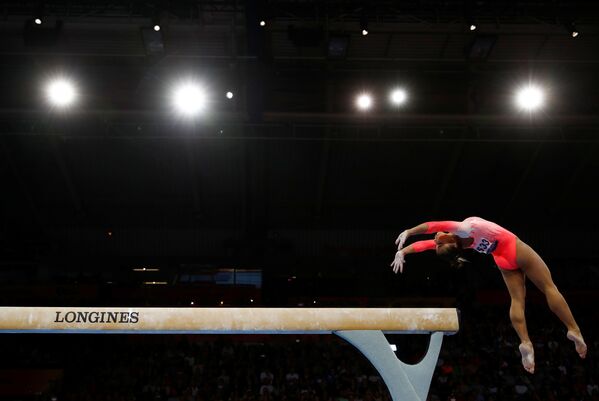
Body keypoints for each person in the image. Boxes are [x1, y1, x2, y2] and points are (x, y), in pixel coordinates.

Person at [390, 216, 587, 374]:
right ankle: (573, 329)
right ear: (445, 240)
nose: (435, 238)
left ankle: (525, 342)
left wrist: (403, 252)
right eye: (437, 240)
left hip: (502, 260)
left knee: (517, 300)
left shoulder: (454, 243)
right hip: (513, 247)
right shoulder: (464, 229)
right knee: (549, 287)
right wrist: (409, 232)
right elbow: (433, 226)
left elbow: (426, 244)